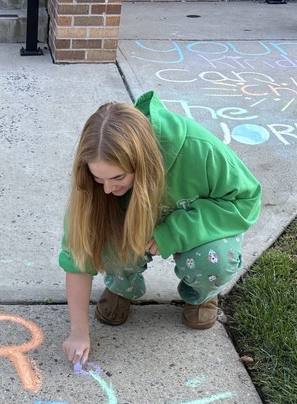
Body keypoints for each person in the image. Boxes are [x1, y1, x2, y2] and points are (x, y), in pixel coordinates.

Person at [60, 91, 262, 365]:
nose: (107, 189)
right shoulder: (97, 187)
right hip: (135, 225)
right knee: (107, 241)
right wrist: (79, 333)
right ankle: (122, 286)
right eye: (98, 178)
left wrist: (175, 232)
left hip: (193, 227)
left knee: (213, 261)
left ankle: (201, 295)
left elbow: (245, 200)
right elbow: (77, 254)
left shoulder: (198, 148)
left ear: (142, 162)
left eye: (118, 177)